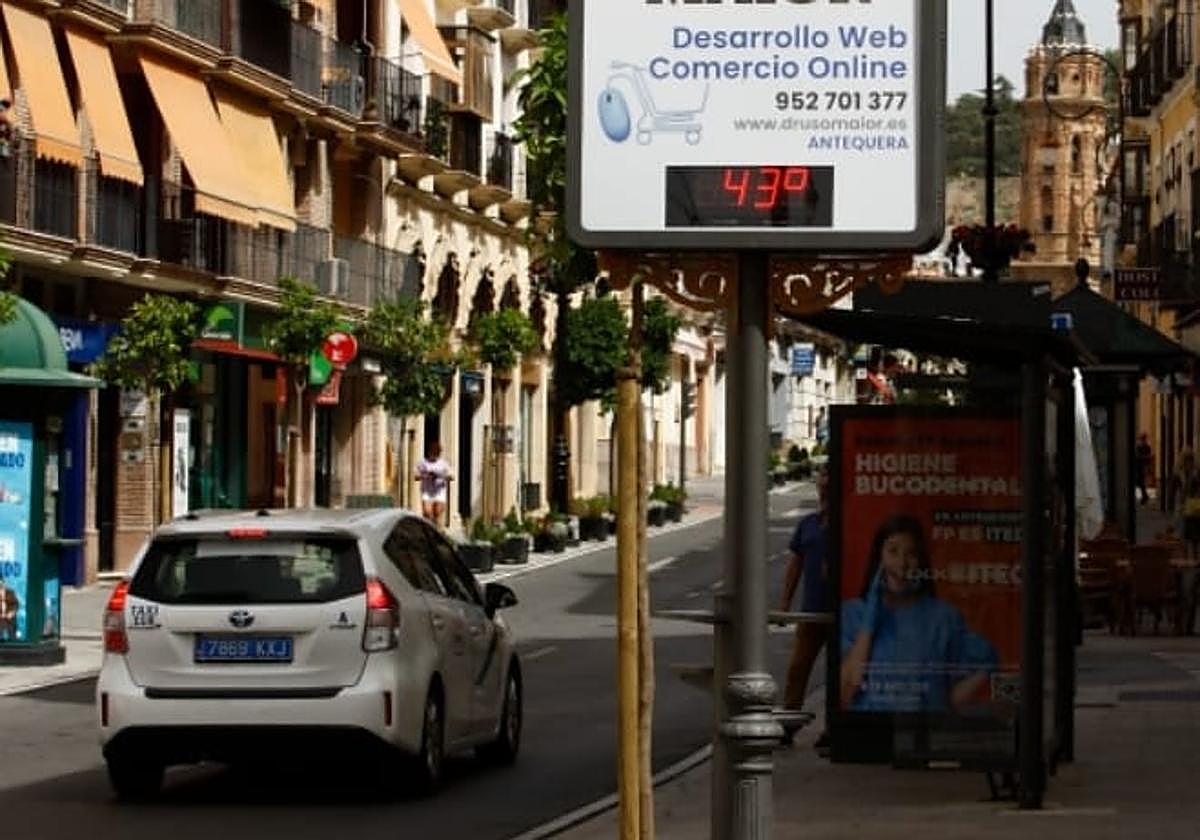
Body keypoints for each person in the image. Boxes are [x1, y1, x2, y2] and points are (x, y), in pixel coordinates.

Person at [839, 514, 998, 713]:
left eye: (911, 554)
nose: (902, 563)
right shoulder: (852, 613)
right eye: (893, 551)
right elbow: (846, 692)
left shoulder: (944, 617)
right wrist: (869, 621)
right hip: (872, 733)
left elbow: (954, 697)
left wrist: (982, 673)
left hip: (927, 735)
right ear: (878, 557)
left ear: (921, 561)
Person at [779, 465, 832, 748]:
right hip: (810, 612)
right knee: (798, 669)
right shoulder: (808, 524)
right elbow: (795, 566)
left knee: (835, 674)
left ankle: (832, 729)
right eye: (822, 479)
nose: (824, 485)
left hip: (840, 614)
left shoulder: (848, 523)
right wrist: (786, 602)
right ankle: (789, 725)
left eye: (829, 480)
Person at [415, 442, 452, 525]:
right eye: (432, 454)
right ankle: (428, 528)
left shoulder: (443, 464)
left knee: (437, 513)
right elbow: (416, 476)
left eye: (436, 454)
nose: (433, 456)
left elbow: (451, 476)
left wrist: (440, 475)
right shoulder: (423, 463)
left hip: (439, 491)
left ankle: (436, 529)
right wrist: (425, 476)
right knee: (427, 512)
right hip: (427, 491)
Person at [1135, 434, 1153, 506]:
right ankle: (1145, 496)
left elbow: (1138, 456)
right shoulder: (1143, 447)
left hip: (1141, 466)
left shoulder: (1141, 447)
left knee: (1140, 481)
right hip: (1141, 466)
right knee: (1140, 482)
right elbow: (1148, 457)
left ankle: (1144, 497)